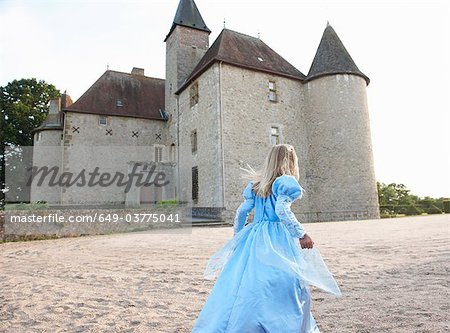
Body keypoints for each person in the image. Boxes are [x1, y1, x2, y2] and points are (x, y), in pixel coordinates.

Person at [191, 144, 341, 333]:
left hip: (254, 235)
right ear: (290, 160)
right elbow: (281, 210)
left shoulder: (257, 185)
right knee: (285, 280)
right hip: (277, 237)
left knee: (248, 281)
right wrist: (301, 234)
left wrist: (238, 238)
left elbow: (241, 212)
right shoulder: (285, 182)